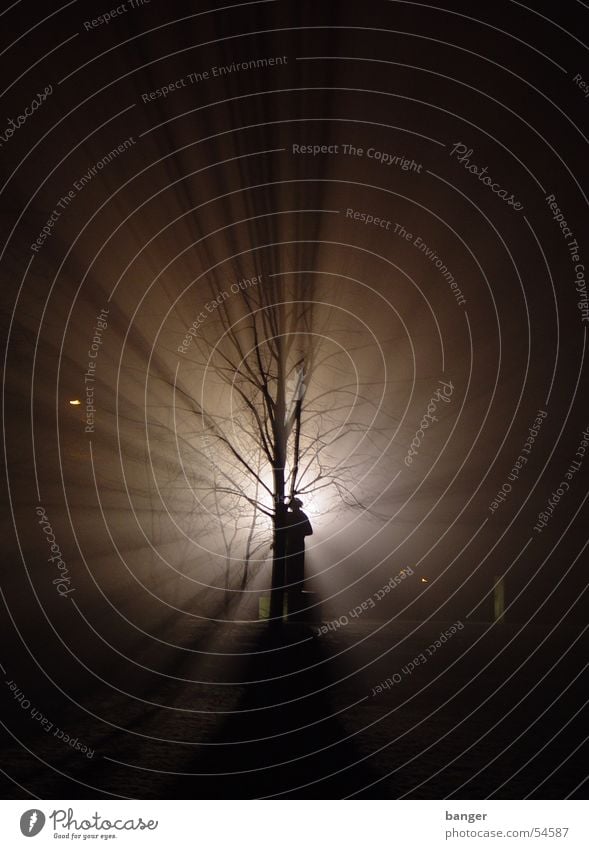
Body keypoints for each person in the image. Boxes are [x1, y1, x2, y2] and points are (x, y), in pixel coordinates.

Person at [285, 498, 313, 593]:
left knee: (296, 567)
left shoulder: (300, 516)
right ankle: (292, 587)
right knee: (292, 566)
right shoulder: (291, 516)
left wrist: (297, 532)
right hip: (292, 545)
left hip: (296, 545)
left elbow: (309, 531)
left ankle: (295, 588)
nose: (293, 508)